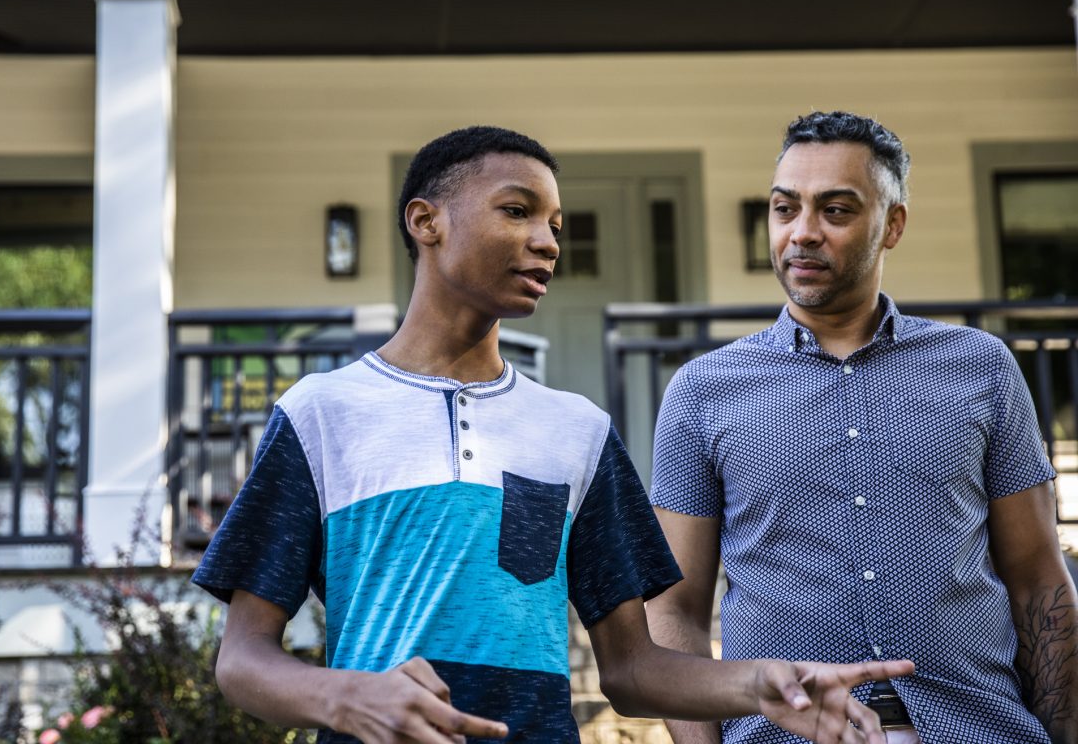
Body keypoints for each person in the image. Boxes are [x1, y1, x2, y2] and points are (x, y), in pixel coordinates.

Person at [192, 125, 912, 744]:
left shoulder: (578, 431)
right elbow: (243, 658)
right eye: (517, 212)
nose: (546, 242)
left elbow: (631, 670)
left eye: (557, 226)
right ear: (426, 221)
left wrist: (761, 685)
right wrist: (346, 697)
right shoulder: (322, 413)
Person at [647, 110, 1078, 744]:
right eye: (784, 208)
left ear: (892, 224)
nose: (803, 233)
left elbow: (1040, 580)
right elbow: (673, 609)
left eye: (837, 211)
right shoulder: (702, 392)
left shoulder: (982, 367)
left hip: (979, 730)